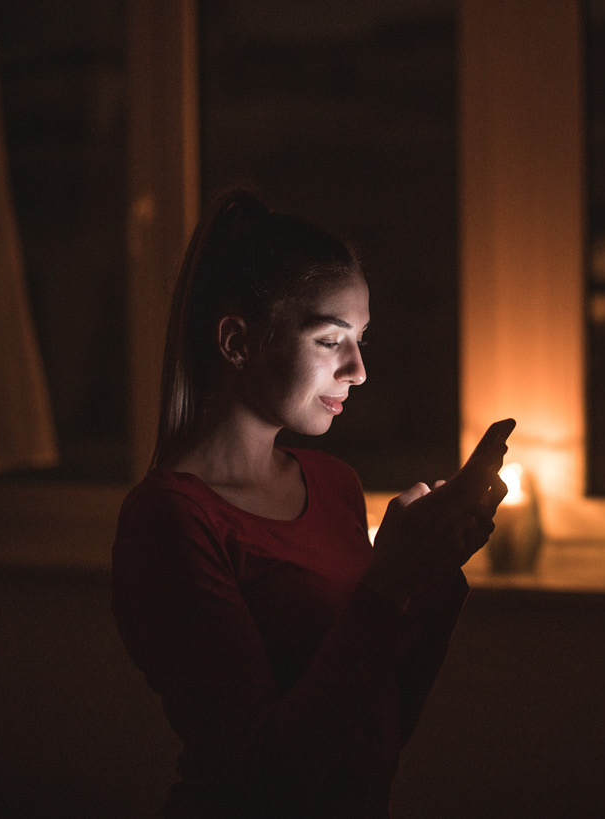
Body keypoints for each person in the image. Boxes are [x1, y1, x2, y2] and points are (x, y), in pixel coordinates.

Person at [111, 187, 512, 818]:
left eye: (361, 340)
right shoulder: (172, 520)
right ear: (237, 342)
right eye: (330, 341)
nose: (357, 369)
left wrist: (430, 573)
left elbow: (379, 730)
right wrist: (390, 578)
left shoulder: (333, 484)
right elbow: (269, 776)